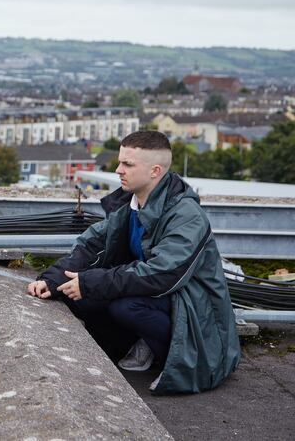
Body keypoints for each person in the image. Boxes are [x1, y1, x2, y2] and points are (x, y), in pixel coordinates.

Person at [27, 131, 240, 394]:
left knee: (125, 306)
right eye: (120, 162)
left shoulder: (186, 215)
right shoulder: (132, 204)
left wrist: (92, 283)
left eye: (128, 164)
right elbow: (92, 244)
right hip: (155, 293)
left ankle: (168, 356)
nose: (118, 170)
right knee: (73, 293)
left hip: (193, 306)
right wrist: (53, 279)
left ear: (155, 171)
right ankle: (134, 343)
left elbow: (162, 274)